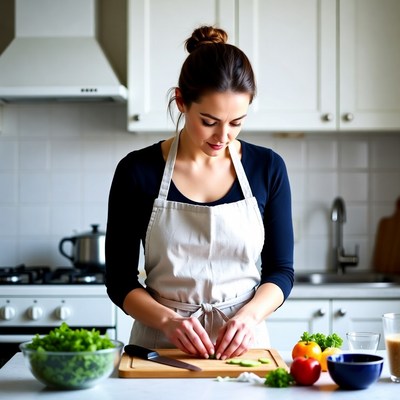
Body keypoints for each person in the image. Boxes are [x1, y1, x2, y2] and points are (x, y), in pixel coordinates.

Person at [105, 26, 294, 361]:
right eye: (209, 121)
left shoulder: (268, 167)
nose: (223, 136)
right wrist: (169, 321)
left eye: (236, 122)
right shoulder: (137, 171)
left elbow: (281, 270)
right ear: (181, 102)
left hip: (243, 347)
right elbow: (119, 280)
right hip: (160, 347)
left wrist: (248, 317)